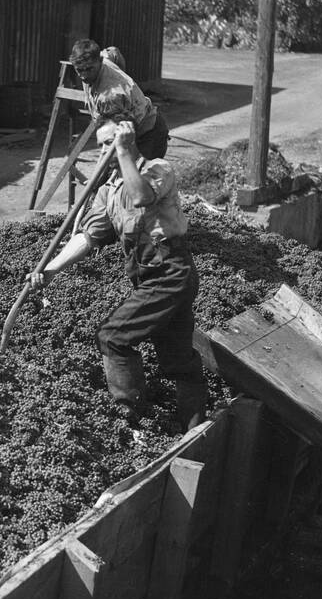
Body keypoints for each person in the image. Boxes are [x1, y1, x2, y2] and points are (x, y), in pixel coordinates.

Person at [27, 117, 208, 433]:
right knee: (177, 358)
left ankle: (133, 420)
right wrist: (50, 269)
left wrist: (124, 151)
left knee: (113, 337)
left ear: (127, 142)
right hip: (149, 277)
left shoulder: (157, 169)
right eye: (101, 147)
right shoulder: (108, 191)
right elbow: (89, 236)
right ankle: (192, 426)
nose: (104, 153)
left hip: (171, 271)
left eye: (109, 144)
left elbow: (141, 197)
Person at [70, 38, 168, 161]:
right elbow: (113, 52)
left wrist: (120, 87)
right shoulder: (103, 59)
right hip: (131, 125)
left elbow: (116, 143)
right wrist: (122, 77)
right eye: (79, 70)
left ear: (100, 61)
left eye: (89, 69)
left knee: (135, 178)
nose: (84, 75)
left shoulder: (109, 97)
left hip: (147, 136)